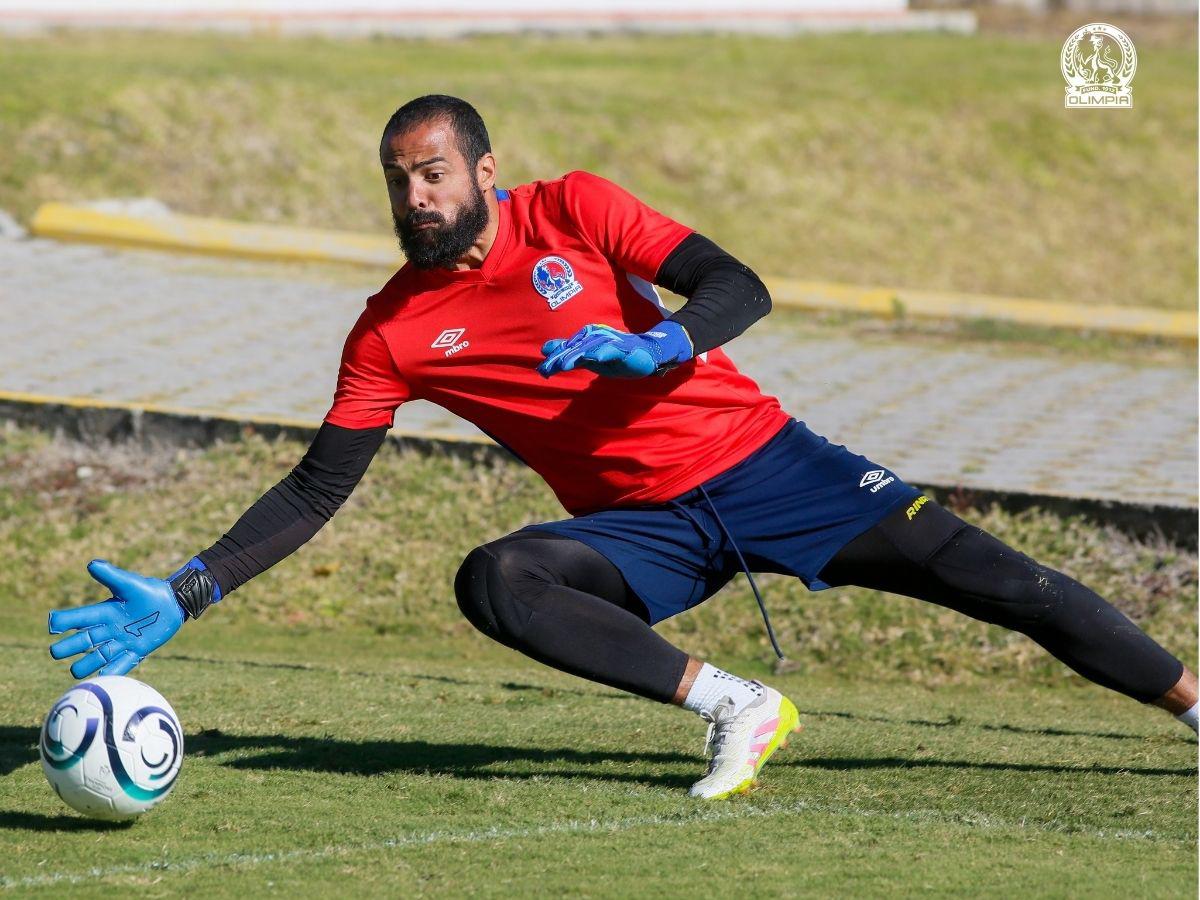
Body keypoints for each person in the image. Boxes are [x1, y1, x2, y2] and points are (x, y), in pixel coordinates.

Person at [48, 95, 1198, 801]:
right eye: (399, 179)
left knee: (1008, 583)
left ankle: (1192, 704)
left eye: (434, 171)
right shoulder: (391, 329)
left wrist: (665, 343)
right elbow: (317, 489)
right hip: (647, 534)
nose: (416, 194)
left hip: (771, 465)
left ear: (484, 171)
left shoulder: (576, 209)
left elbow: (736, 283)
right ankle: (738, 706)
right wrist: (188, 591)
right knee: (500, 576)